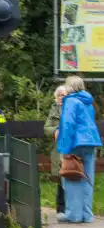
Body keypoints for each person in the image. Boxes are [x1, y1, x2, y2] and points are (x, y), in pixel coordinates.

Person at [57, 76, 101, 224]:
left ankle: (73, 215)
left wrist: (65, 149)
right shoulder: (88, 101)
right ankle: (87, 215)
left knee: (72, 176)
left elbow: (68, 125)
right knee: (87, 178)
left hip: (76, 143)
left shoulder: (70, 101)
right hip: (90, 142)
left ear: (69, 86)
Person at [45, 85, 68, 220]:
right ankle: (61, 208)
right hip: (58, 148)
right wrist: (56, 130)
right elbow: (46, 128)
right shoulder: (53, 109)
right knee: (60, 177)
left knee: (70, 175)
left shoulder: (71, 107)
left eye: (63, 95)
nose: (61, 97)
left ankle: (71, 207)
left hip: (69, 147)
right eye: (59, 95)